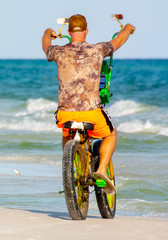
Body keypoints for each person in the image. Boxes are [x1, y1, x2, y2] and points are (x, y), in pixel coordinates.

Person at [41, 14, 135, 193]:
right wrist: (128, 28)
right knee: (111, 135)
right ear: (86, 31)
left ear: (68, 31)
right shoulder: (98, 49)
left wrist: (47, 32)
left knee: (66, 134)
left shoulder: (58, 52)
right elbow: (119, 40)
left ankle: (71, 166)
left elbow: (46, 45)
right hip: (91, 112)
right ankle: (100, 171)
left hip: (65, 113)